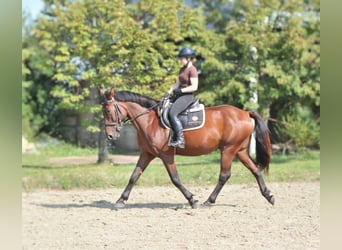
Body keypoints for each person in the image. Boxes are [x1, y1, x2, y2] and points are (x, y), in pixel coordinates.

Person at [166, 47, 199, 148]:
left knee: (172, 113)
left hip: (187, 97)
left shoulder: (192, 70)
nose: (180, 61)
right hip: (179, 95)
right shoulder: (182, 69)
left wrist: (181, 90)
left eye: (182, 59)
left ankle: (180, 140)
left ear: (188, 58)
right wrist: (168, 93)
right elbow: (177, 83)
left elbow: (194, 87)